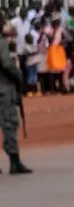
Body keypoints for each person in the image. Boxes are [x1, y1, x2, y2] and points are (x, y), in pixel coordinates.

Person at [0, 34, 29, 173]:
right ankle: (14, 161)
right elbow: (6, 64)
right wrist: (18, 77)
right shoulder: (1, 43)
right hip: (3, 89)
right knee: (9, 123)